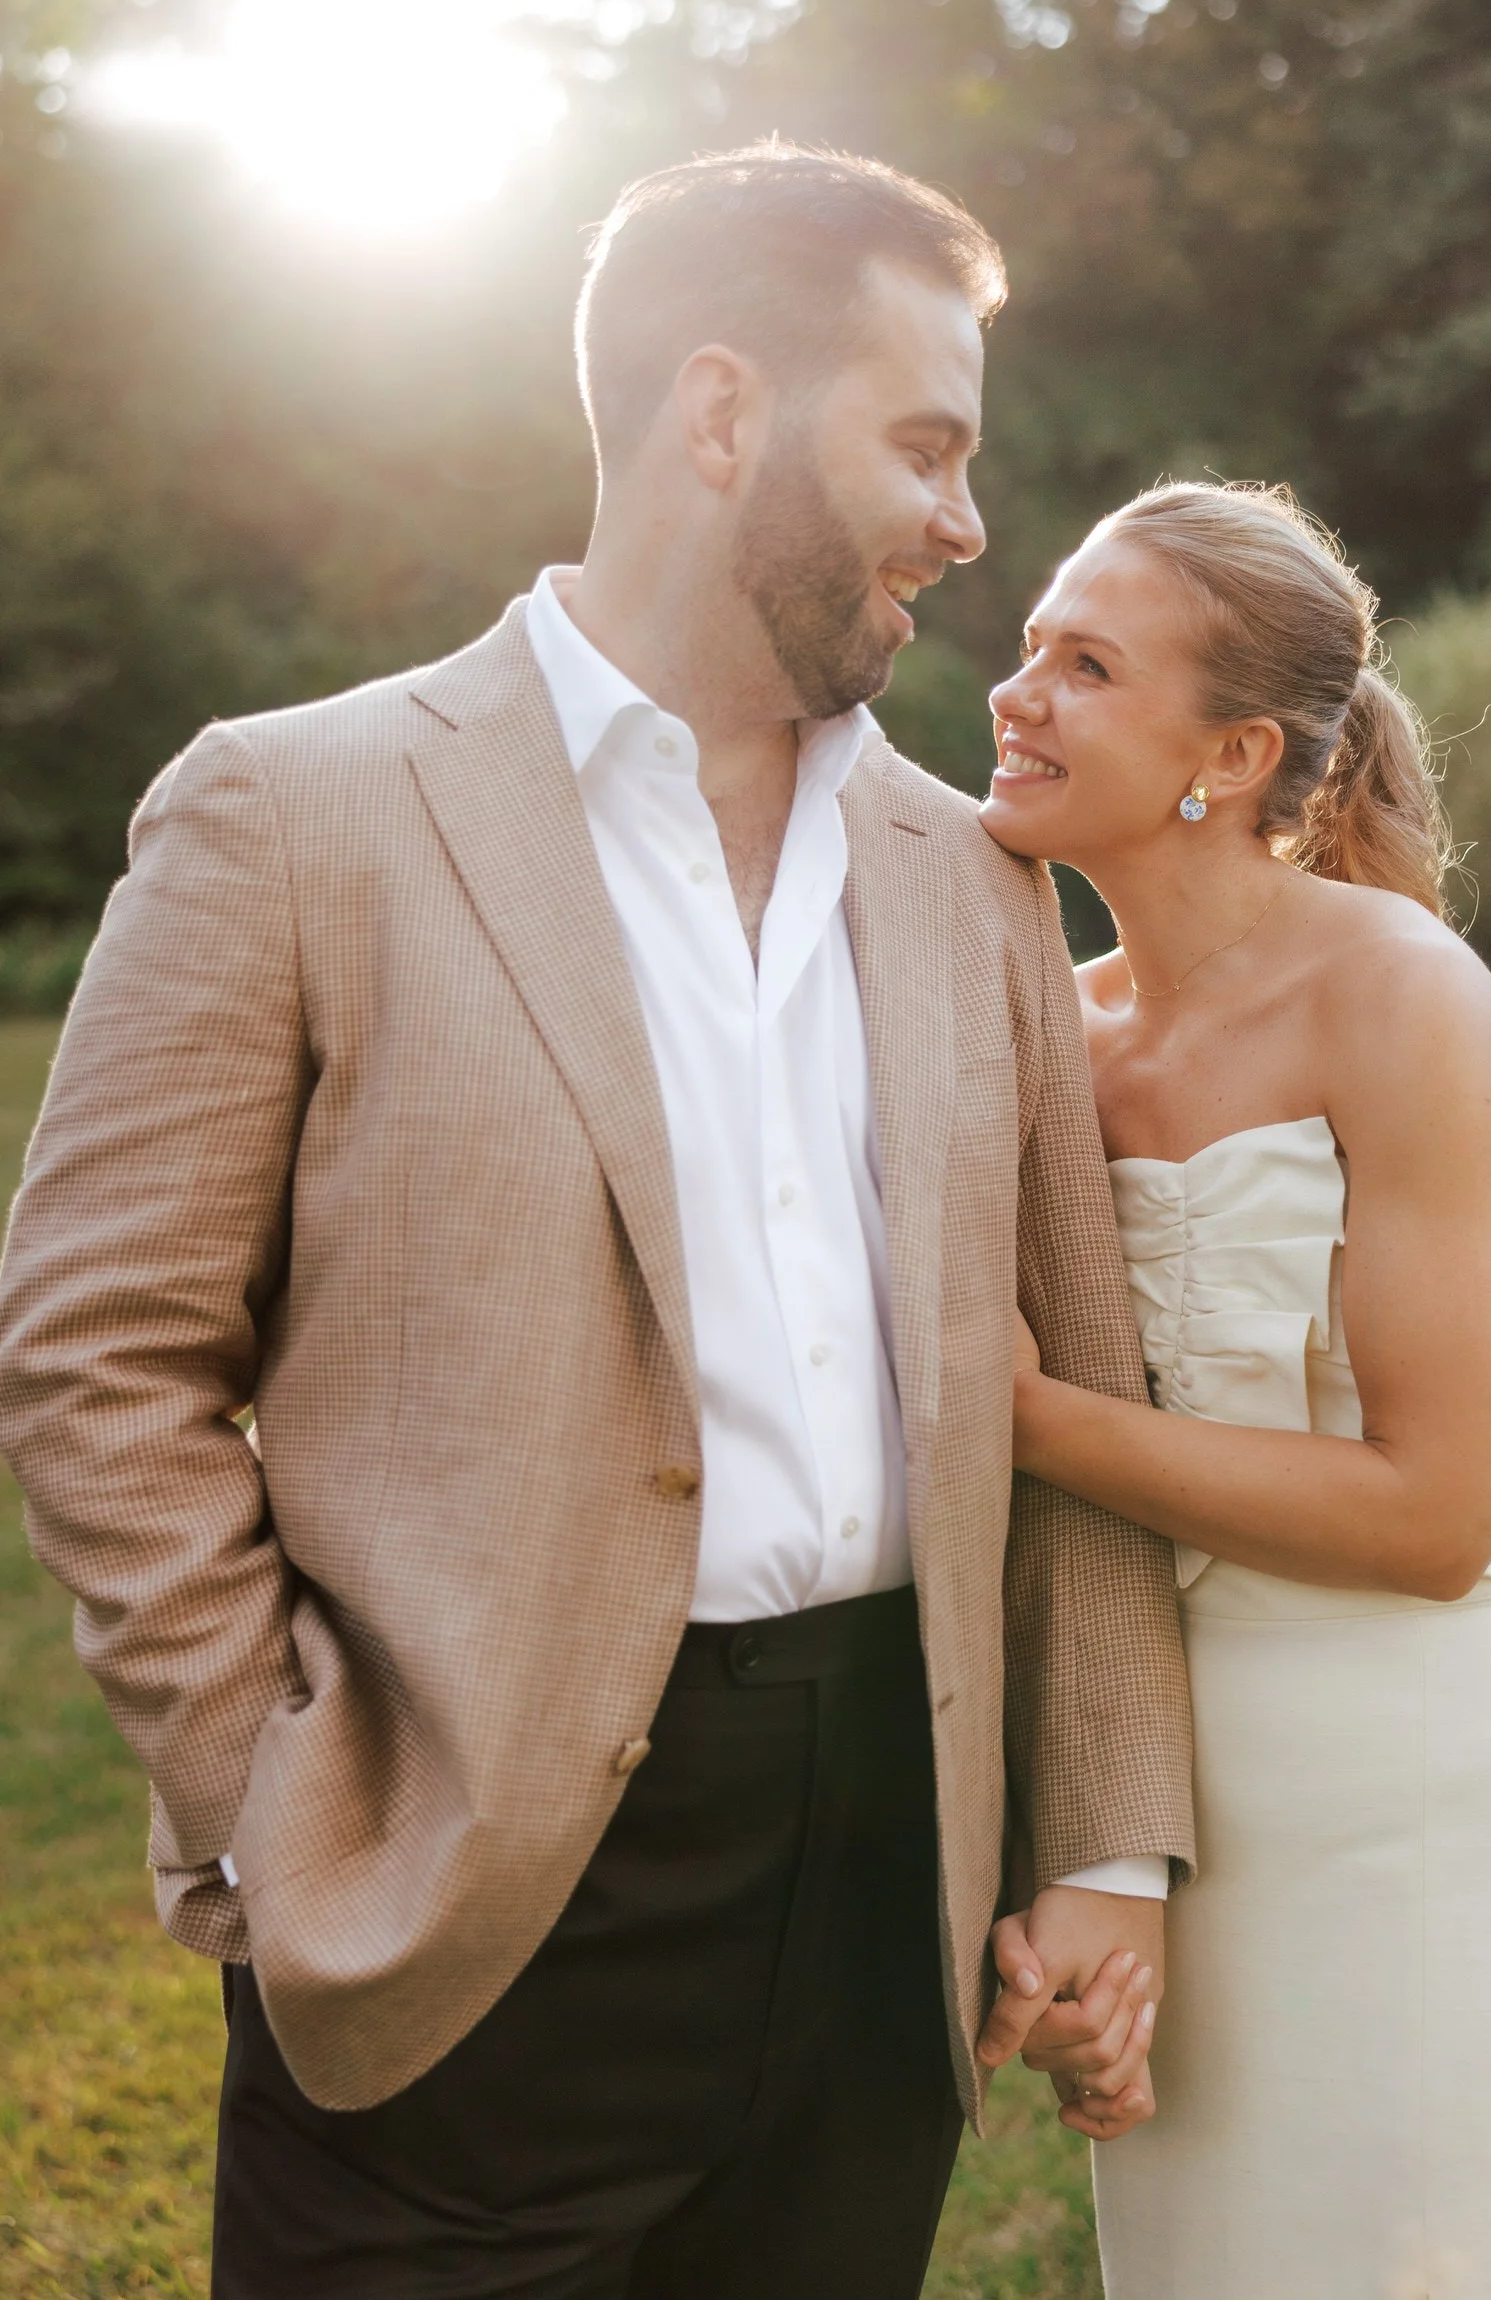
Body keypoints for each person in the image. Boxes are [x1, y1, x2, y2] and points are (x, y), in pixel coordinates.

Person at [0, 145, 1192, 2300]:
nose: (964, 520)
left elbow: (1069, 1357)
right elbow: (97, 1351)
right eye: (922, 443)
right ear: (719, 415)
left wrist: (1099, 1835)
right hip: (457, 1889)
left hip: (874, 1906)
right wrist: (276, 1791)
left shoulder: (969, 876)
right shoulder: (294, 811)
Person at [985, 480, 1491, 2299]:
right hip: (1179, 1809)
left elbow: (1437, 1516)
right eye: (1032, 645)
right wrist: (1080, 1843)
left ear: (1231, 752)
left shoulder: (1400, 996)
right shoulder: (1053, 1034)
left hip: (1432, 1789)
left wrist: (1029, 1415)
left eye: (1084, 664)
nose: (1017, 691)